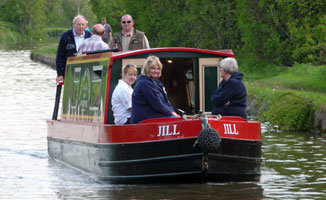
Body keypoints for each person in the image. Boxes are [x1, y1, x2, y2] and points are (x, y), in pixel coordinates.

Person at [131, 56, 179, 124]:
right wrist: (170, 113)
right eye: (153, 68)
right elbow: (156, 104)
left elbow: (166, 101)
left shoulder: (156, 81)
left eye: (158, 69)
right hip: (144, 120)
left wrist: (173, 111)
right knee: (175, 120)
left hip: (154, 116)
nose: (156, 71)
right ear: (147, 69)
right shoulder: (144, 83)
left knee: (178, 118)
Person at [56, 15, 91, 83]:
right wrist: (60, 74)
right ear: (73, 25)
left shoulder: (89, 35)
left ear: (86, 25)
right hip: (69, 71)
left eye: (82, 24)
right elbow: (59, 56)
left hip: (85, 71)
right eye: (78, 24)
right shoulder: (65, 36)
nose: (80, 27)